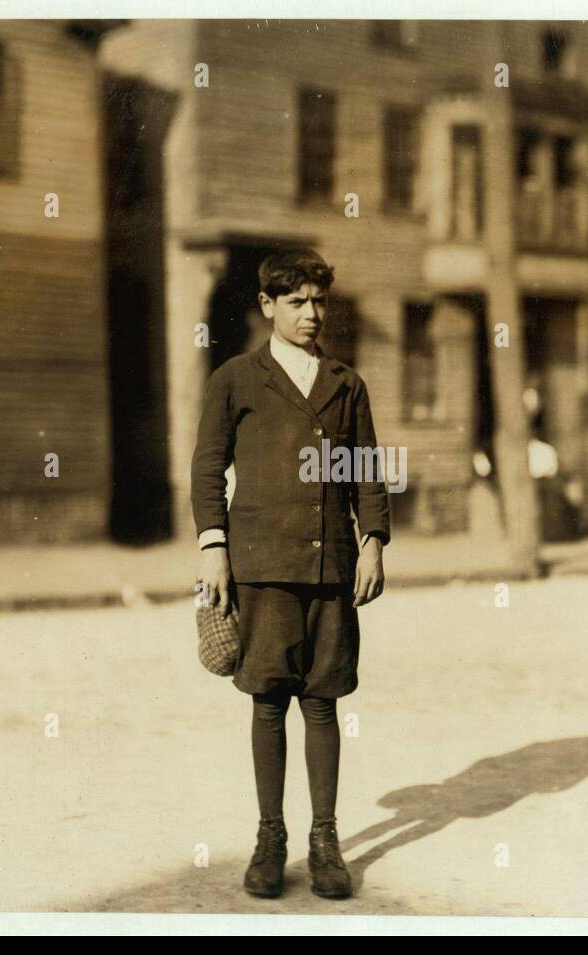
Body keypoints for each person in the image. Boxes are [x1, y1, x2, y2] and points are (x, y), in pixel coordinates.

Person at [191, 248, 390, 899]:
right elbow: (206, 468)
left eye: (319, 301)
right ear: (268, 307)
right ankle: (270, 836)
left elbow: (365, 468)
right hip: (263, 566)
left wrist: (373, 542)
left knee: (323, 700)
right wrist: (213, 547)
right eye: (297, 302)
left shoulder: (345, 383)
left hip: (330, 563)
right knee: (269, 700)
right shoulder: (237, 379)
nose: (311, 314)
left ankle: (325, 839)